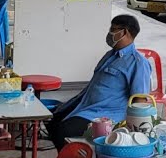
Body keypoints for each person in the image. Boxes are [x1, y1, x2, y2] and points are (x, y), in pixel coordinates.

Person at [47, 15, 150, 147]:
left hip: (106, 114)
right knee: (51, 120)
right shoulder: (110, 55)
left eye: (113, 30)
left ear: (124, 32)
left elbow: (139, 100)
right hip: (85, 104)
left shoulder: (138, 63)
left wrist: (131, 128)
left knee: (63, 131)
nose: (109, 34)